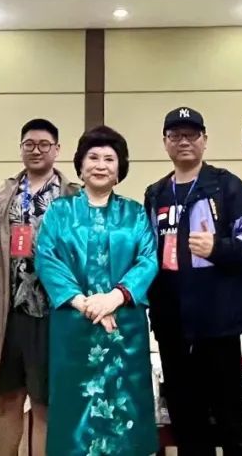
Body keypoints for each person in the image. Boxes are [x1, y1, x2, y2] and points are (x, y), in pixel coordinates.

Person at [144, 106, 242, 455]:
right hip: (172, 326)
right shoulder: (156, 193)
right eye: (176, 135)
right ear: (165, 142)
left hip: (221, 324)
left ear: (204, 140)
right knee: (187, 422)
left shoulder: (227, 185)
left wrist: (218, 248)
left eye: (191, 134)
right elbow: (147, 254)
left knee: (232, 421)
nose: (184, 141)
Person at [34, 125, 159, 456]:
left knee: (125, 411)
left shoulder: (134, 213)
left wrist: (114, 298)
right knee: (74, 410)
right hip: (74, 325)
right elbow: (47, 258)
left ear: (119, 169)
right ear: (80, 165)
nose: (100, 165)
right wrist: (84, 303)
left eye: (109, 159)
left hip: (123, 326)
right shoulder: (59, 212)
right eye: (93, 157)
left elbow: (148, 259)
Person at [0, 118, 79, 456]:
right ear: (21, 149)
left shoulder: (72, 195)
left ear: (57, 149)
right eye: (29, 144)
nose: (36, 150)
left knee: (45, 403)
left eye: (44, 145)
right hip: (9, 311)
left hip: (52, 313)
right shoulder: (3, 194)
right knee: (8, 399)